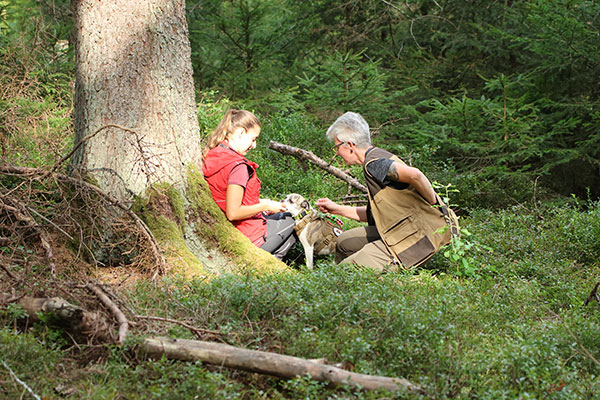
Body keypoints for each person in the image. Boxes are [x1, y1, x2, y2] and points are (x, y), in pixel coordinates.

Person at [315, 112, 457, 271]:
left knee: (342, 273)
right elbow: (373, 215)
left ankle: (386, 275)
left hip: (415, 239)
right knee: (344, 242)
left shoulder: (373, 164)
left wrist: (434, 204)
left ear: (350, 145)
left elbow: (415, 174)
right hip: (403, 229)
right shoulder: (377, 155)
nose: (336, 153)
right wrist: (337, 209)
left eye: (336, 147)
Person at [202, 109, 296, 260]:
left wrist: (263, 203)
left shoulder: (214, 154)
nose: (255, 145)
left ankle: (269, 267)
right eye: (253, 139)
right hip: (246, 235)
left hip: (224, 231)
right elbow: (233, 212)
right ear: (240, 132)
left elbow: (226, 196)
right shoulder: (238, 167)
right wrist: (265, 207)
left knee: (283, 227)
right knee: (291, 218)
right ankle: (264, 269)